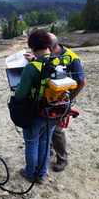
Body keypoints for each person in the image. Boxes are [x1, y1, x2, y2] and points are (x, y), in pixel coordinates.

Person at [24, 33, 87, 172]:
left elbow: (82, 82)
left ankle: (62, 159)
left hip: (60, 102)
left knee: (57, 131)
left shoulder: (71, 59)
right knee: (46, 135)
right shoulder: (53, 58)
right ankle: (48, 154)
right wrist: (34, 60)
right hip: (50, 100)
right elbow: (46, 70)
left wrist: (68, 100)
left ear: (50, 48)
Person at [15, 29, 59, 184]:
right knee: (45, 142)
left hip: (35, 114)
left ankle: (30, 172)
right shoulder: (59, 61)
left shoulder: (31, 68)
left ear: (33, 47)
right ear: (49, 45)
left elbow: (20, 95)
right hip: (54, 112)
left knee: (32, 143)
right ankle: (42, 172)